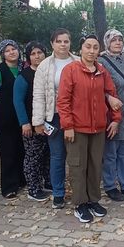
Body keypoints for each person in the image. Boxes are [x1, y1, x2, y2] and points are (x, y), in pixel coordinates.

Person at [57, 35, 121, 223]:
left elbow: (112, 95)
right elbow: (63, 101)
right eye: (88, 47)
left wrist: (115, 120)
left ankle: (93, 200)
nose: (91, 51)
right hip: (77, 128)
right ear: (81, 49)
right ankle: (80, 203)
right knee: (78, 166)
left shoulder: (101, 71)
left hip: (98, 128)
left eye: (95, 47)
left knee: (95, 166)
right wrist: (67, 125)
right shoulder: (71, 70)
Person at [32, 28, 79, 209]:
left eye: (66, 41)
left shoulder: (78, 62)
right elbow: (39, 95)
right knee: (57, 156)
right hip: (54, 117)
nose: (62, 45)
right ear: (52, 43)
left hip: (76, 117)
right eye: (59, 41)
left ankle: (78, 190)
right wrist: (38, 121)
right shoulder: (45, 65)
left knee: (76, 157)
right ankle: (58, 193)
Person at [99, 29, 124, 202]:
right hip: (111, 116)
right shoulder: (101, 62)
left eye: (120, 40)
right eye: (113, 40)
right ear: (107, 42)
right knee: (110, 153)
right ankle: (110, 185)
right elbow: (99, 88)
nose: (117, 43)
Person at [13, 41, 51, 202]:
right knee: (33, 156)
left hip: (49, 122)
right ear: (29, 57)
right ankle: (33, 188)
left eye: (40, 53)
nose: (37, 56)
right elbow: (18, 101)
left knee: (48, 154)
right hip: (31, 123)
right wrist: (24, 122)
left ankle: (48, 182)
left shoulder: (49, 72)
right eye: (33, 54)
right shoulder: (24, 76)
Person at [0, 40, 24, 198]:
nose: (12, 52)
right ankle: (8, 186)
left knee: (21, 150)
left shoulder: (23, 69)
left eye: (14, 48)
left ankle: (21, 179)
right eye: (7, 50)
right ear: (3, 54)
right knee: (8, 152)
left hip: (21, 118)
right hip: (5, 119)